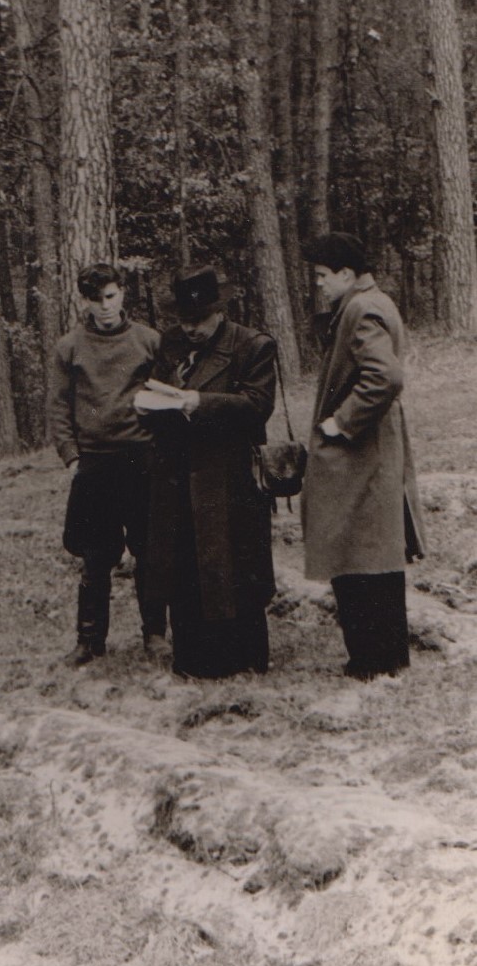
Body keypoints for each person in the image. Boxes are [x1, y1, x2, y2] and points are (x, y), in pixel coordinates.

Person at [140, 267, 277, 679]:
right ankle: (194, 661)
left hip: (230, 478)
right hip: (177, 476)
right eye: (184, 319)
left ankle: (244, 660)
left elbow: (257, 405)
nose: (191, 328)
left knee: (234, 570)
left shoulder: (252, 345)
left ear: (219, 311)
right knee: (185, 570)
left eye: (199, 319)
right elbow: (155, 387)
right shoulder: (171, 344)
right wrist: (149, 407)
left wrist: (200, 402)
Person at [301, 232, 425, 680]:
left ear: (347, 274)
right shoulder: (367, 302)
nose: (318, 284)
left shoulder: (361, 308)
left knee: (360, 553)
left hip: (359, 450)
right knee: (370, 552)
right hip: (369, 448)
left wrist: (342, 421)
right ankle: (383, 660)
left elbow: (385, 375)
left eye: (322, 275)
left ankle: (374, 662)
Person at [49, 263, 162, 665]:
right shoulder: (70, 347)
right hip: (95, 463)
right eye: (96, 299)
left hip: (142, 458)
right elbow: (59, 406)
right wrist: (71, 457)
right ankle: (89, 640)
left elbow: (166, 396)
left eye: (111, 296)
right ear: (84, 301)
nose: (105, 306)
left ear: (123, 293)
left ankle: (155, 635)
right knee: (95, 556)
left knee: (149, 550)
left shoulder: (149, 341)